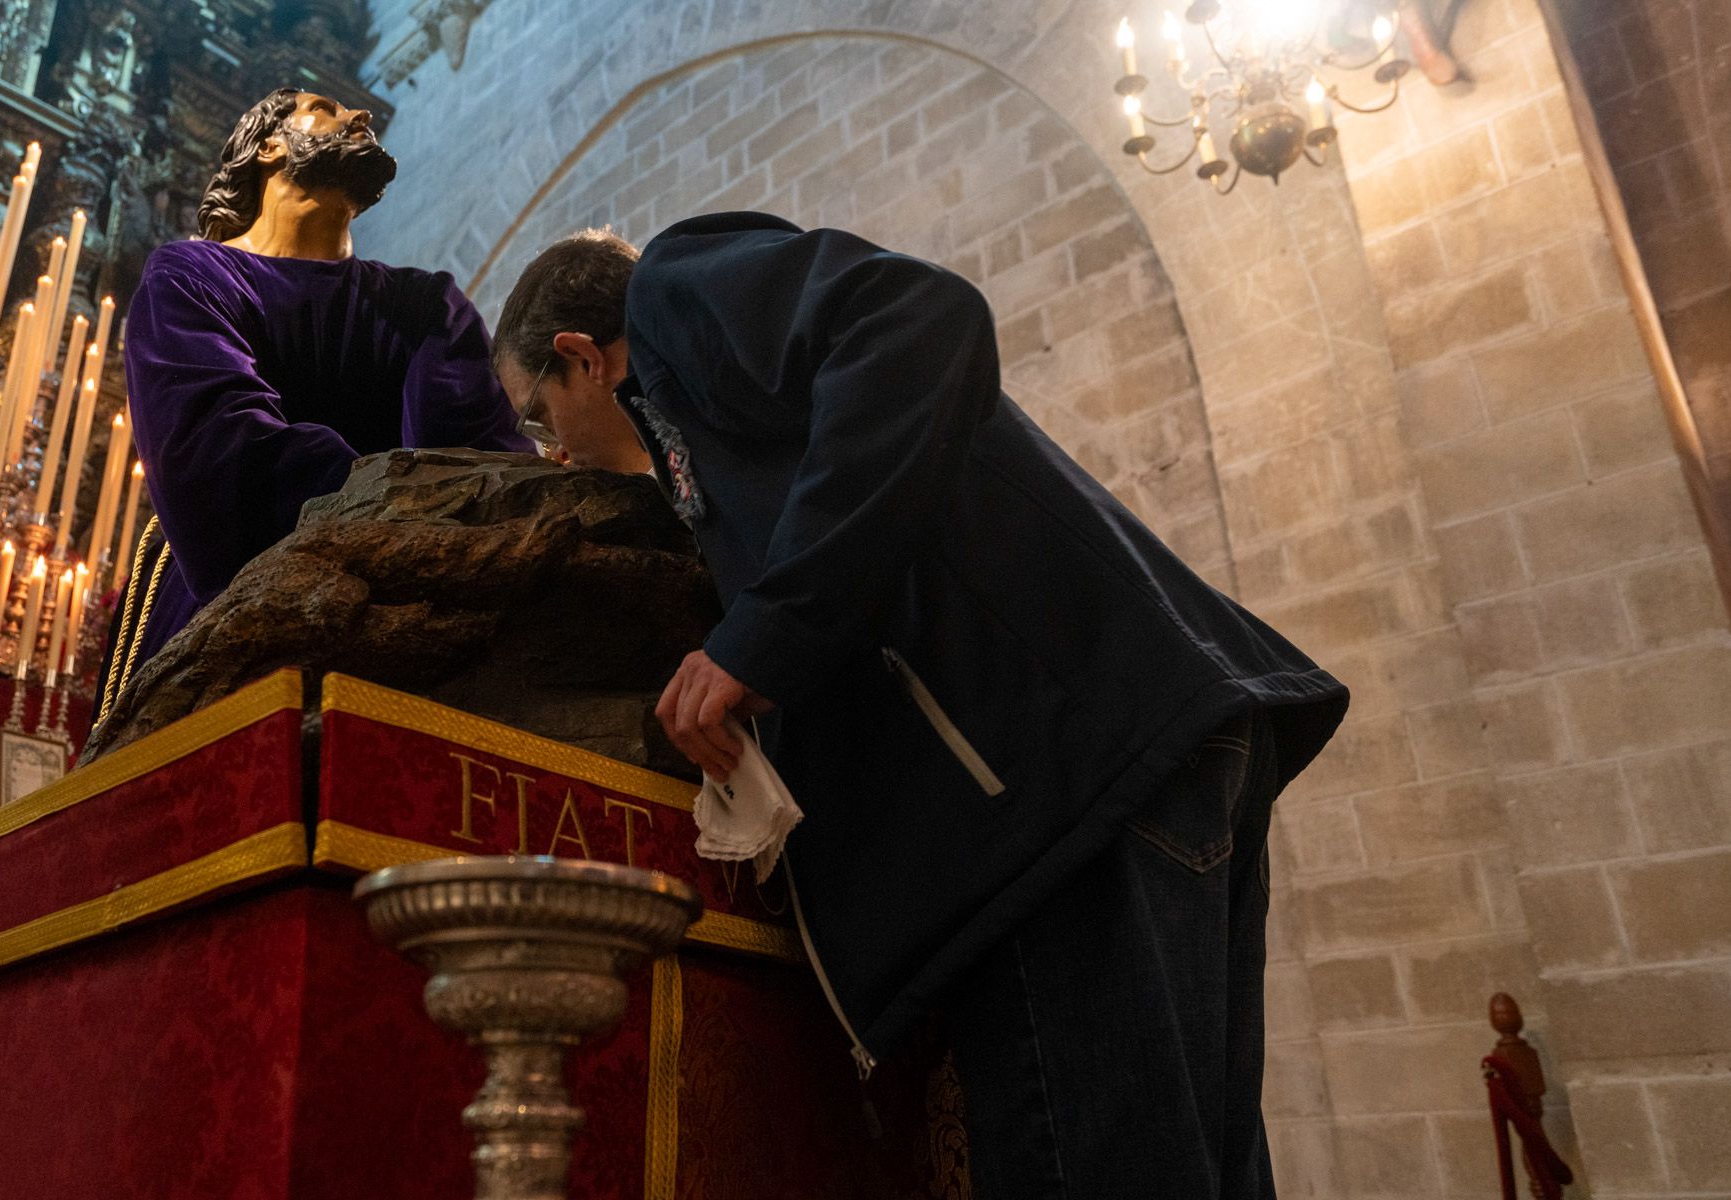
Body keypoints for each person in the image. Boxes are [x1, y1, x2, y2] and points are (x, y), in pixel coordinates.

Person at [491, 216, 1350, 1199]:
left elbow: (916, 317)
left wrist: (763, 634)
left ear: (582, 358)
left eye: (535, 417)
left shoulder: (675, 292)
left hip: (1058, 792)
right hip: (1132, 757)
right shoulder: (714, 463)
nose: (551, 454)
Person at [95, 88, 532, 722]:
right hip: (235, 599)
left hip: (421, 603)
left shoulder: (425, 303)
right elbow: (220, 451)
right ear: (269, 146)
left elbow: (480, 462)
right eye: (327, 107)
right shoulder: (191, 278)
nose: (362, 116)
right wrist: (396, 506)